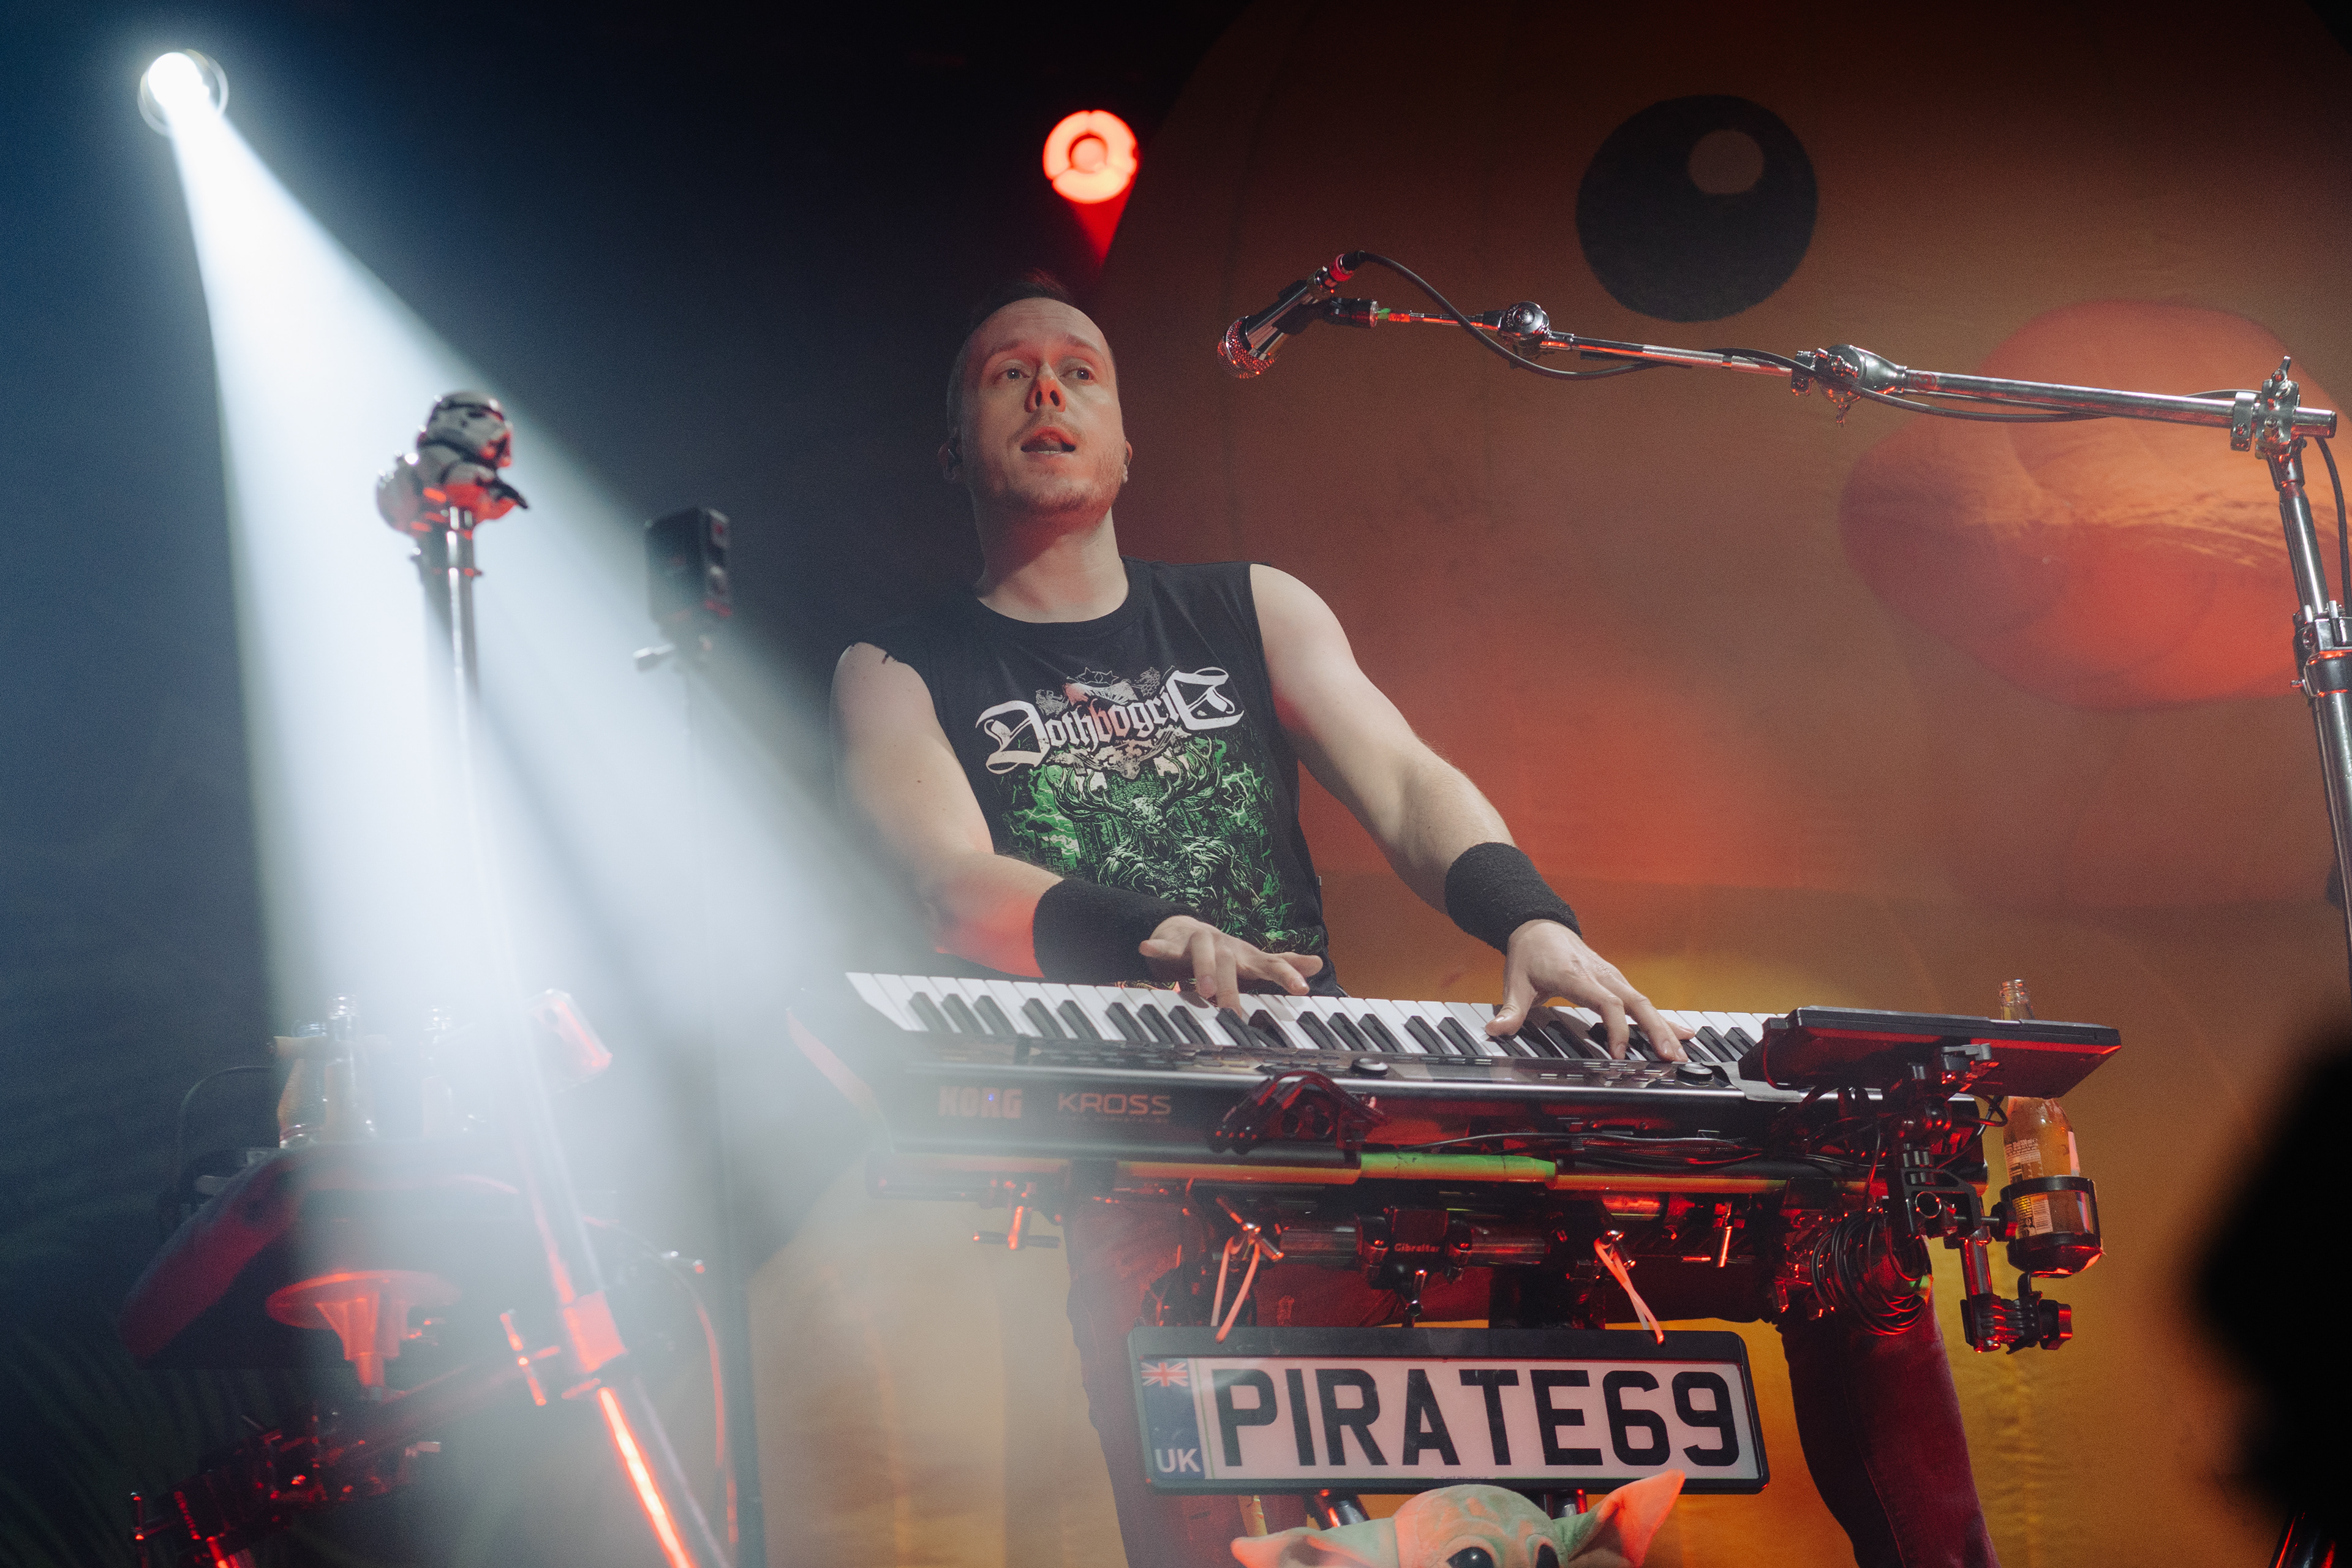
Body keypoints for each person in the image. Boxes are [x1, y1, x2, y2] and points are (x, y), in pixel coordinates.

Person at [832, 274, 1996, 1568]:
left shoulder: (1249, 604)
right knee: (1164, 1347)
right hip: (1143, 1129)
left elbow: (1402, 779)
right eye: (1009, 374)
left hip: (1340, 1097)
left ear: (1124, 441)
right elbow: (945, 881)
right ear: (955, 447)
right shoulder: (898, 664)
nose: (1049, 388)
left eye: (1081, 370)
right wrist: (1153, 934)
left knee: (1838, 1225)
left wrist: (1531, 920)